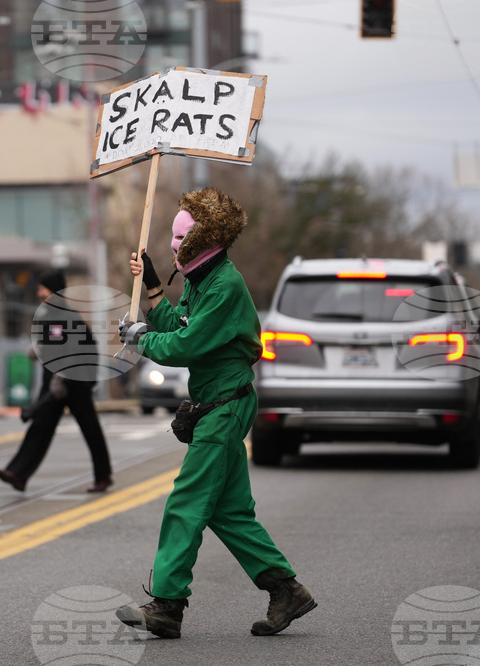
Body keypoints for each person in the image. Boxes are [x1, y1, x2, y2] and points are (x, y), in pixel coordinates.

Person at [114, 188, 316, 638]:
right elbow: (179, 326)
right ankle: (287, 590)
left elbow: (185, 345)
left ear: (205, 237)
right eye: (171, 235)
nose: (172, 244)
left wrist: (140, 339)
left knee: (186, 502)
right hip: (218, 405)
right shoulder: (203, 280)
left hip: (224, 408)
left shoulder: (224, 284)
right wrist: (150, 287)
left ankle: (167, 605)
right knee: (229, 512)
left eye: (181, 235)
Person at [0, 269, 113, 493]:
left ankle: (103, 476)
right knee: (40, 425)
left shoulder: (69, 316)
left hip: (75, 382)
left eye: (43, 288)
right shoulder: (47, 315)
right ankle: (18, 474)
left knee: (90, 428)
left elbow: (76, 352)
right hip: (53, 383)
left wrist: (63, 379)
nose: (39, 293)